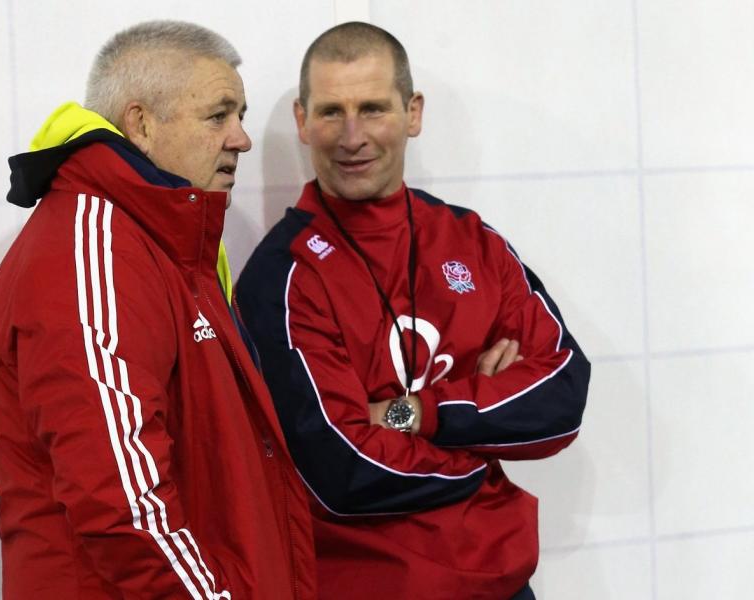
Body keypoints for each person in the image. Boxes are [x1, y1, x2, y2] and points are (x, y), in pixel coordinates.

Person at [236, 22, 590, 600]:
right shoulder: (281, 278)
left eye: (373, 108)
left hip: (504, 583)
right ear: (302, 121)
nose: (352, 137)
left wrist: (412, 414)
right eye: (331, 112)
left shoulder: (474, 241)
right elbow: (339, 468)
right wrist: (485, 441)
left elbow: (562, 396)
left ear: (413, 112)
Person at [0, 20, 315, 599]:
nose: (242, 138)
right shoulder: (92, 252)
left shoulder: (171, 240)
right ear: (140, 123)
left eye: (240, 115)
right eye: (219, 115)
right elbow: (123, 506)